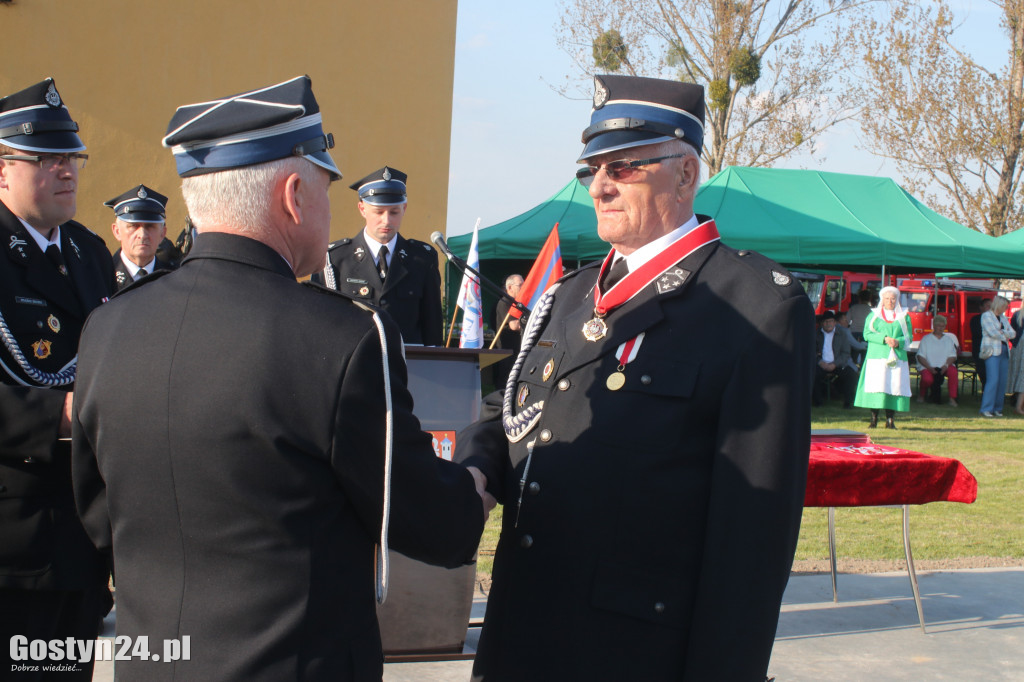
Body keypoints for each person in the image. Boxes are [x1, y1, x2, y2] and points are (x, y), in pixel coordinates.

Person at [71, 76, 487, 681]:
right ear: (293, 194)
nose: (329, 204)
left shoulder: (108, 330)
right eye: (326, 185)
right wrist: (480, 463)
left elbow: (99, 515)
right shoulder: (342, 339)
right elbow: (430, 523)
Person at [455, 74, 814, 681]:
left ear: (685, 173)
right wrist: (475, 470)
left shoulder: (755, 305)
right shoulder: (571, 294)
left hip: (634, 650)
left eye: (623, 167)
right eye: (591, 170)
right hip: (522, 630)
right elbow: (516, 407)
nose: (600, 186)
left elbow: (752, 536)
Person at [0, 78, 115, 680]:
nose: (65, 171)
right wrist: (61, 415)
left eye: (70, 157)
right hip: (13, 544)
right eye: (45, 159)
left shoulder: (90, 252)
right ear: (2, 170)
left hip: (82, 536)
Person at [312, 166, 443, 345]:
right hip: (355, 367)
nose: (387, 221)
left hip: (408, 368)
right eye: (379, 212)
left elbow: (432, 330)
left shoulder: (422, 259)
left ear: (404, 208)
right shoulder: (335, 259)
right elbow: (320, 323)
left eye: (394, 212)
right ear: (362, 208)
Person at [854, 285, 912, 429]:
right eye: (887, 298)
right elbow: (867, 334)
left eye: (893, 298)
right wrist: (884, 338)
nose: (890, 301)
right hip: (877, 356)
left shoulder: (904, 316)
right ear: (882, 299)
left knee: (894, 386)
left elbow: (909, 336)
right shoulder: (874, 316)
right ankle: (873, 419)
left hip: (896, 356)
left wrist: (898, 341)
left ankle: (890, 420)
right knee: (877, 386)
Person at [104, 184, 176, 291]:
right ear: (117, 231)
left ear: (162, 233)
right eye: (133, 226)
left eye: (150, 226)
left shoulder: (175, 277)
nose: (142, 235)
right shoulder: (102, 278)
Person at [978, 295, 1014, 417]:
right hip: (992, 352)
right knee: (993, 380)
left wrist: (1003, 332)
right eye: (1005, 306)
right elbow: (992, 333)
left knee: (1002, 381)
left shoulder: (1003, 318)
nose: (1006, 308)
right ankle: (986, 408)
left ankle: (998, 408)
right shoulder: (986, 316)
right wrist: (1005, 334)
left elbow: (1013, 333)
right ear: (999, 305)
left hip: (1004, 351)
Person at [813, 310, 857, 408]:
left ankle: (848, 402)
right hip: (821, 364)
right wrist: (820, 362)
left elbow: (846, 353)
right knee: (812, 374)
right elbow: (811, 352)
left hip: (837, 364)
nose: (828, 324)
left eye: (831, 321)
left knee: (851, 374)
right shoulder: (815, 334)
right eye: (826, 322)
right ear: (821, 323)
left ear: (835, 322)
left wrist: (835, 364)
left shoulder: (842, 334)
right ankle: (818, 402)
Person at [916, 315, 960, 406]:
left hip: (944, 365)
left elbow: (953, 356)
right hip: (928, 365)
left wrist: (946, 366)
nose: (940, 328)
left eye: (942, 326)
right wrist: (929, 367)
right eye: (938, 325)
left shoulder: (948, 340)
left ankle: (952, 398)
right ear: (934, 326)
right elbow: (920, 356)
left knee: (953, 372)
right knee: (927, 379)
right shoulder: (926, 339)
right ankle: (922, 395)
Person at [492, 273, 523, 388]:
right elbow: (514, 325)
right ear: (510, 287)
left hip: (516, 348)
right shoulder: (505, 302)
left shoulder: (517, 303)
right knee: (506, 381)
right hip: (507, 349)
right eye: (520, 285)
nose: (523, 288)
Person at [971, 297, 992, 390]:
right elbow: (978, 333)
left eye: (992, 307)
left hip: (993, 351)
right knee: (983, 374)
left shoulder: (997, 319)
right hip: (979, 351)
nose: (990, 308)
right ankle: (985, 392)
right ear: (981, 307)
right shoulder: (975, 319)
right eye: (988, 306)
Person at [1008, 306, 1024, 414]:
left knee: (1020, 376)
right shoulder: (1018, 315)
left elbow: (1011, 333)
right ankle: (1018, 407)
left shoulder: (1017, 314)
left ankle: (1018, 405)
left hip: (1018, 347)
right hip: (1020, 347)